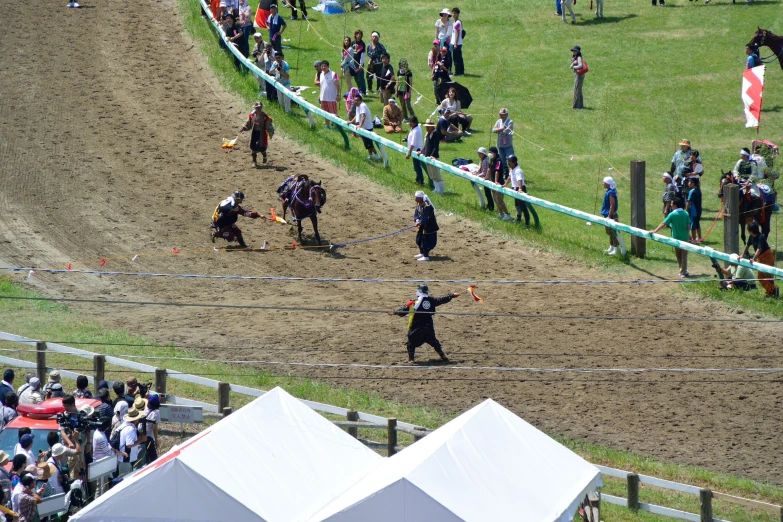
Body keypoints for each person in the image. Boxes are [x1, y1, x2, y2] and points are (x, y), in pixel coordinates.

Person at [390, 283, 460, 362]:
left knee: (411, 344)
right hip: (428, 326)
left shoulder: (413, 303)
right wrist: (452, 295)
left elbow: (402, 311)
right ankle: (443, 356)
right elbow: (442, 299)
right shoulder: (432, 300)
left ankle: (411, 359)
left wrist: (394, 312)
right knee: (434, 342)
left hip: (417, 328)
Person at [649, 197, 690, 278]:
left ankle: (682, 272)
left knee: (679, 255)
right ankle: (683, 270)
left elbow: (663, 224)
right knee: (683, 255)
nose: (670, 205)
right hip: (685, 238)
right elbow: (688, 227)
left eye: (671, 203)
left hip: (676, 238)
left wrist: (655, 231)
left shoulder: (672, 214)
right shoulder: (686, 213)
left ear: (675, 205)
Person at [742, 222, 779, 298]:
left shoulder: (761, 237)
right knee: (761, 276)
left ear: (751, 230)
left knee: (767, 276)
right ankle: (772, 290)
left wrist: (754, 259)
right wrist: (742, 255)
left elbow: (759, 248)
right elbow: (747, 246)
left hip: (767, 257)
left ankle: (772, 290)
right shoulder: (751, 237)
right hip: (760, 258)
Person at [505, 155, 540, 228]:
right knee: (517, 205)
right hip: (515, 189)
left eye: (509, 162)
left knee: (523, 207)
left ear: (514, 162)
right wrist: (505, 184)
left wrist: (520, 189)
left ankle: (527, 223)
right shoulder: (512, 169)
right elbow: (509, 177)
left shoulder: (518, 170)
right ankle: (518, 218)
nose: (508, 163)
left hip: (520, 189)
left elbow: (519, 180)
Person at [240, 101, 275, 166]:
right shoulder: (251, 115)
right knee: (253, 148)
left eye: (259, 107)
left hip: (262, 134)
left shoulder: (264, 117)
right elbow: (248, 123)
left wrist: (270, 132)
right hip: (254, 133)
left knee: (262, 148)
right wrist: (243, 127)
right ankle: (254, 162)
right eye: (257, 108)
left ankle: (264, 157)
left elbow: (269, 125)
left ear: (261, 108)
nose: (258, 109)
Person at [350, 93, 381, 161]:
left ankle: (377, 155)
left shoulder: (362, 106)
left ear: (360, 100)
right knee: (366, 143)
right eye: (354, 100)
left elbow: (363, 116)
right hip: (363, 127)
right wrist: (351, 121)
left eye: (356, 100)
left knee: (369, 143)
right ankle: (370, 155)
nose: (355, 101)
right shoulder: (358, 106)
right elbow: (357, 115)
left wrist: (360, 125)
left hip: (367, 128)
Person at [412, 191, 439, 262]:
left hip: (429, 227)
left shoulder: (427, 206)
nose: (415, 198)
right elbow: (417, 214)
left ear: (420, 198)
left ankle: (426, 256)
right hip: (422, 226)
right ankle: (422, 253)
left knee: (425, 242)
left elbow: (425, 217)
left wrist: (420, 223)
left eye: (416, 197)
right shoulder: (419, 204)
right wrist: (417, 220)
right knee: (419, 239)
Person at [117, 409, 148, 473]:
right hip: (125, 459)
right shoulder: (130, 429)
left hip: (124, 458)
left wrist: (138, 439)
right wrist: (140, 440)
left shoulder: (125, 425)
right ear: (135, 419)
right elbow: (129, 445)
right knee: (125, 479)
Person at [600, 176, 624, 255]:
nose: (603, 183)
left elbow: (612, 205)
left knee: (614, 233)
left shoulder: (611, 193)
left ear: (607, 183)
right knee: (609, 232)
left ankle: (616, 249)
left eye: (604, 182)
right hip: (607, 215)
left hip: (611, 216)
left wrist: (609, 216)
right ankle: (611, 246)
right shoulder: (608, 191)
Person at [489, 147, 512, 221]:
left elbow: (497, 171)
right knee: (495, 199)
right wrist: (486, 177)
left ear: (495, 153)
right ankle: (501, 213)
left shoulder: (498, 161)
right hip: (492, 182)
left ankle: (507, 214)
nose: (489, 154)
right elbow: (489, 169)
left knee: (500, 200)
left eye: (491, 152)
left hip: (499, 183)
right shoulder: (491, 160)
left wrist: (496, 181)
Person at [422, 119, 443, 192]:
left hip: (433, 157)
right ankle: (436, 189)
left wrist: (432, 155)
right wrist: (422, 152)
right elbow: (426, 145)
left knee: (436, 175)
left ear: (432, 127)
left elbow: (435, 147)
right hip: (427, 157)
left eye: (428, 126)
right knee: (431, 175)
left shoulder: (435, 134)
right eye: (426, 126)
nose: (427, 128)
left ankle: (441, 190)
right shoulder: (428, 134)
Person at [317, 61, 340, 127]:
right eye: (322, 66)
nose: (323, 67)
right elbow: (321, 86)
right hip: (323, 97)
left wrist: (338, 95)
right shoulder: (321, 74)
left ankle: (336, 126)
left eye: (325, 66)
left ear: (328, 66)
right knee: (325, 112)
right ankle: (327, 125)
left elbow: (338, 85)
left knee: (333, 112)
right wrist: (319, 95)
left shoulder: (334, 74)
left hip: (331, 98)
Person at [405, 117, 426, 186]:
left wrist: (409, 153)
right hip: (415, 149)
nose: (409, 124)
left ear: (414, 123)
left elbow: (413, 143)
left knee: (417, 167)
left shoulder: (416, 130)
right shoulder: (414, 128)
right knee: (416, 166)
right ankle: (418, 179)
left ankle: (421, 181)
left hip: (416, 150)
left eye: (410, 122)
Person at [395, 58, 415, 123]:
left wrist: (409, 92)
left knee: (408, 105)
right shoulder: (399, 72)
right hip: (400, 90)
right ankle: (405, 117)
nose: (403, 66)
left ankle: (413, 117)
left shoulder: (409, 72)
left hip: (406, 91)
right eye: (402, 65)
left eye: (404, 64)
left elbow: (410, 83)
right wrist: (396, 90)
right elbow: (398, 81)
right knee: (403, 105)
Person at [144, 394, 160, 464]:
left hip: (141, 436)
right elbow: (155, 428)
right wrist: (156, 441)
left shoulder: (144, 407)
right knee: (153, 458)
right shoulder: (156, 413)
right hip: (149, 437)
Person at [685, 178, 702, 242]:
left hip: (693, 211)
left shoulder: (692, 191)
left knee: (693, 224)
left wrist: (686, 210)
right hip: (699, 210)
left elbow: (689, 202)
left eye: (689, 182)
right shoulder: (699, 190)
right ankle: (700, 237)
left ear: (693, 184)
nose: (688, 183)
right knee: (697, 223)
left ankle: (694, 239)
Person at [351, 30, 367, 96]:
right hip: (353, 63)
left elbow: (363, 54)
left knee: (360, 77)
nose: (358, 35)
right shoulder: (352, 43)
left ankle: (363, 91)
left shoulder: (362, 44)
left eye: (360, 34)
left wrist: (361, 64)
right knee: (355, 76)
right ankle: (359, 89)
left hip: (359, 63)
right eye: (357, 34)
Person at [451, 8, 464, 75]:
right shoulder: (454, 22)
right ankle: (460, 71)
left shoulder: (458, 22)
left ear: (458, 14)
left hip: (457, 43)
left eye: (455, 13)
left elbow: (458, 33)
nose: (453, 14)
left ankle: (458, 72)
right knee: (458, 57)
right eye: (453, 13)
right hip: (455, 42)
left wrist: (455, 43)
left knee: (456, 58)